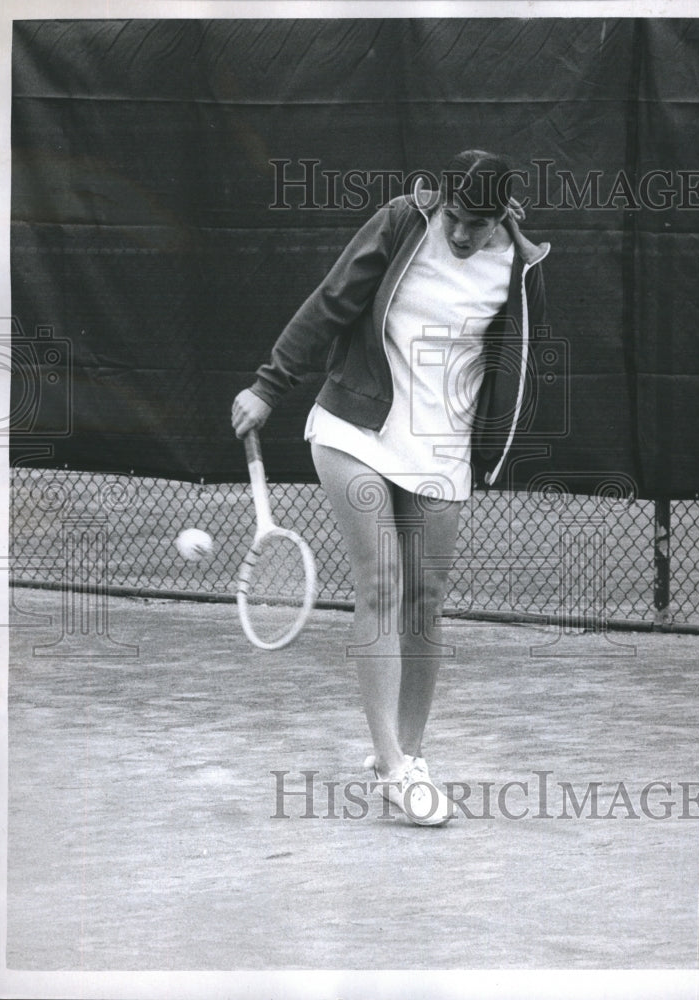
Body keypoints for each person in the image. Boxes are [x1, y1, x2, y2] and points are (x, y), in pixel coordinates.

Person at [232, 149, 549, 826]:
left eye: (481, 223)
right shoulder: (403, 222)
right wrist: (268, 385)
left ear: (504, 216)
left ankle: (406, 752)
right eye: (457, 217)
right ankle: (396, 768)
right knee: (379, 581)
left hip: (441, 449)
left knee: (425, 600)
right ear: (439, 201)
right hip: (356, 427)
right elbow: (332, 301)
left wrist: (488, 450)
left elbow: (519, 360)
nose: (463, 235)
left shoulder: (518, 266)